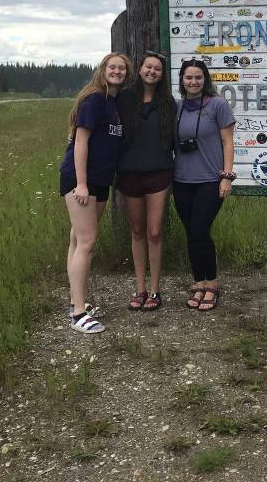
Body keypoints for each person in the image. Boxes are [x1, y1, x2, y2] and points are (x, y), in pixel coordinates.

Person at [60, 53, 131, 334]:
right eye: (112, 67)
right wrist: (81, 183)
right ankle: (78, 313)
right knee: (87, 242)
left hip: (100, 180)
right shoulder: (95, 100)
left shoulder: (113, 103)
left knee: (78, 239)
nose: (117, 71)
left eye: (121, 68)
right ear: (103, 70)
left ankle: (74, 302)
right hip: (82, 181)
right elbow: (80, 142)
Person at [173, 59, 236, 311]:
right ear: (182, 80)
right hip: (181, 180)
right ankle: (198, 282)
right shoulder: (176, 107)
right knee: (191, 232)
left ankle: (212, 284)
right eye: (188, 77)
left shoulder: (218, 105)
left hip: (210, 180)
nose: (193, 82)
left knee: (200, 229)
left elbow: (228, 142)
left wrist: (226, 176)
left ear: (205, 79)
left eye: (198, 77)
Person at [115, 51, 176, 311]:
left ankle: (155, 290)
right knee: (137, 231)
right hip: (129, 174)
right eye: (148, 67)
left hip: (159, 174)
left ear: (162, 75)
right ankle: (140, 288)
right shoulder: (124, 98)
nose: (152, 71)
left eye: (158, 69)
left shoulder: (168, 102)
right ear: (139, 70)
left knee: (154, 231)